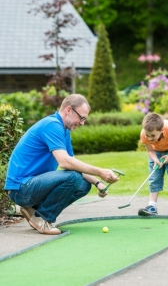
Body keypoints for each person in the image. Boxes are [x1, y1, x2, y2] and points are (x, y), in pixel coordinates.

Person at [4, 94, 119, 235]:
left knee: (83, 185)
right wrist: (100, 171)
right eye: (81, 117)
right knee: (74, 177)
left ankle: (34, 210)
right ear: (69, 110)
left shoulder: (64, 130)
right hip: (20, 189)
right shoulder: (52, 125)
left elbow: (73, 163)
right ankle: (42, 218)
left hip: (31, 186)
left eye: (85, 119)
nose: (82, 123)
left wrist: (97, 182)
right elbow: (65, 162)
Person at [138, 112, 168, 217]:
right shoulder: (144, 134)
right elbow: (149, 150)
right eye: (147, 135)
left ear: (161, 130)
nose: (149, 138)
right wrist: (155, 160)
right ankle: (152, 207)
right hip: (155, 152)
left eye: (153, 135)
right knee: (154, 178)